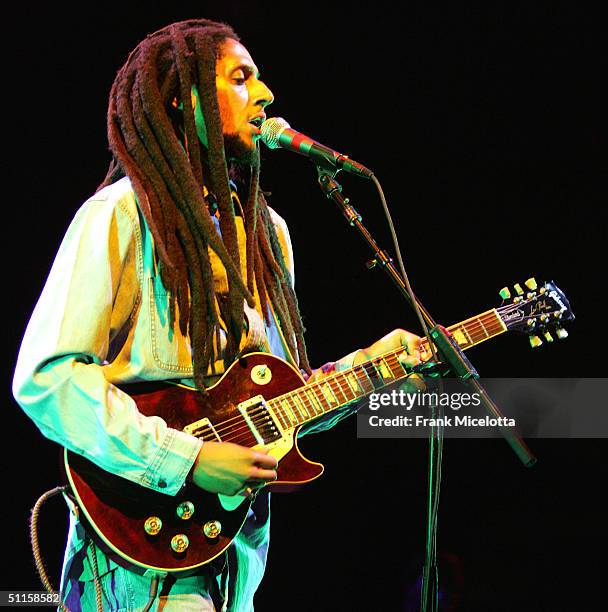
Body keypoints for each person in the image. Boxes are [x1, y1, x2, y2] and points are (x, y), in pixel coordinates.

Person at [12, 18, 425, 611]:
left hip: (236, 564)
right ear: (184, 100)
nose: (266, 95)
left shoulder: (267, 235)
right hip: (142, 566)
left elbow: (276, 405)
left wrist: (370, 371)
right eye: (241, 78)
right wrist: (187, 458)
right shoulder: (123, 214)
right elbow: (45, 378)